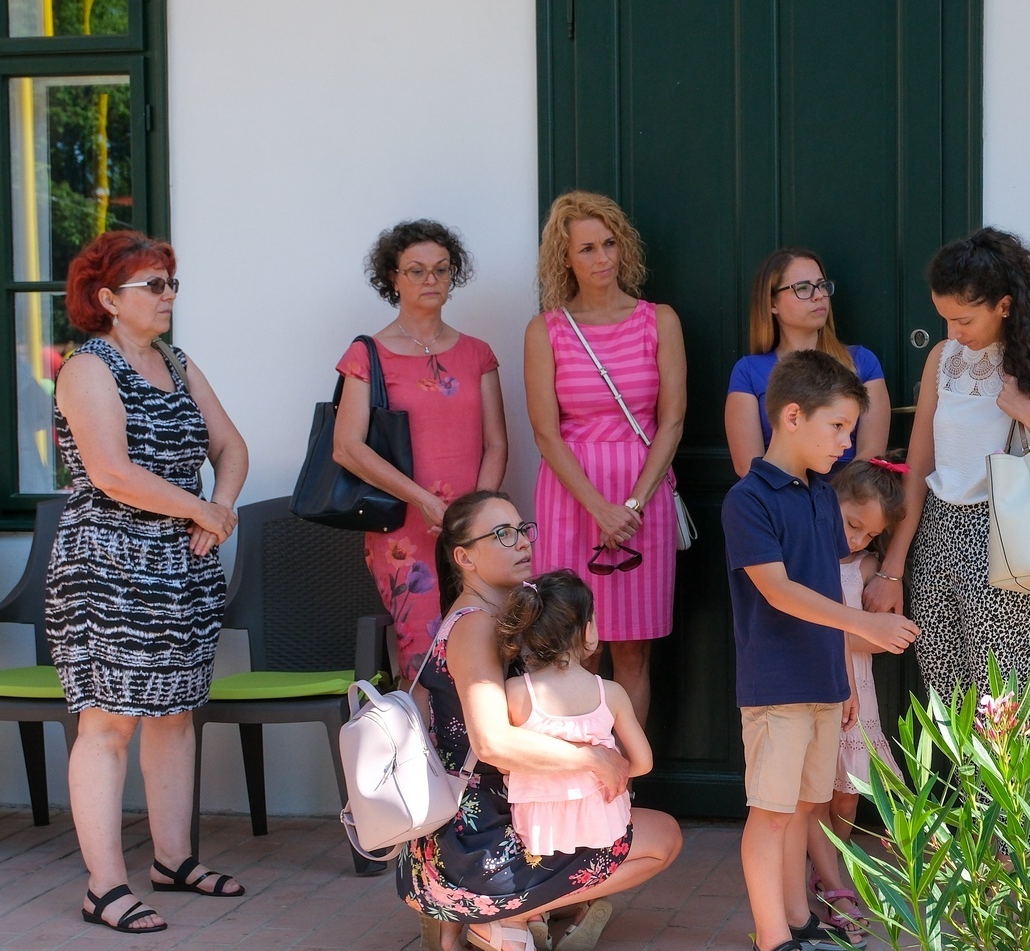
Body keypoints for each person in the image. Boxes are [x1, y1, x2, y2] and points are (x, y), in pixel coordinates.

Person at [46, 230, 249, 933]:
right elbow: (111, 472)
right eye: (153, 285)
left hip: (182, 564)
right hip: (108, 566)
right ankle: (104, 887)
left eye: (171, 283)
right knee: (108, 724)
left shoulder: (178, 362)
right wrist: (203, 510)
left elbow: (231, 446)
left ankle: (174, 860)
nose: (168, 296)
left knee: (174, 714)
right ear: (108, 299)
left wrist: (218, 508)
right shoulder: (86, 368)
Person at [397, 492, 683, 951]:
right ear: (464, 557)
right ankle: (500, 917)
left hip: (469, 835)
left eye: (521, 529)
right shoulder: (476, 627)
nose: (522, 542)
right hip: (478, 845)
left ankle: (472, 915)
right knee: (664, 839)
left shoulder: (489, 616)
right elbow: (492, 743)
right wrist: (592, 758)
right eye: (501, 534)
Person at [723, 351, 921, 951]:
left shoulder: (817, 494)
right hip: (776, 687)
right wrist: (864, 627)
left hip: (821, 683)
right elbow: (780, 592)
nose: (846, 442)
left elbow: (826, 586)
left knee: (804, 807)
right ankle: (770, 947)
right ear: (792, 416)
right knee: (772, 815)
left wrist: (842, 678)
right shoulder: (749, 500)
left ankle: (798, 921)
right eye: (837, 427)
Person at [864, 228, 1030, 701]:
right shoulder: (942, 358)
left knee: (1000, 705)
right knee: (945, 701)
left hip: (1005, 537)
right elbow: (918, 466)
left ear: (1004, 305)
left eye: (964, 319)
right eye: (945, 319)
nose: (954, 333)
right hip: (934, 535)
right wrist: (892, 569)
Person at [525, 191, 686, 726]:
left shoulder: (659, 320)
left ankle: (630, 770)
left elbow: (672, 422)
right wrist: (600, 508)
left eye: (610, 244)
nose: (603, 258)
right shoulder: (546, 330)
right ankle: (583, 765)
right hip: (572, 499)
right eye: (588, 248)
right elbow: (545, 432)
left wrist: (631, 505)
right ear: (565, 258)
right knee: (575, 646)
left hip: (643, 496)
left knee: (635, 650)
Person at [332, 219, 508, 682]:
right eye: (416, 270)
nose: (431, 279)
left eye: (441, 269)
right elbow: (347, 448)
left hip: (474, 530)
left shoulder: (478, 354)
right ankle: (423, 733)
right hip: (405, 526)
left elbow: (496, 443)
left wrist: (476, 518)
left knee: (484, 644)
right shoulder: (368, 354)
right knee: (424, 650)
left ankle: (477, 734)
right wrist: (425, 501)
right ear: (393, 277)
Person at [805, 454, 909, 937]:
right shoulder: (807, 558)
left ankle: (830, 866)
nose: (857, 539)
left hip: (858, 697)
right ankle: (833, 882)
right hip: (817, 690)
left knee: (847, 796)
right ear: (831, 501)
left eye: (870, 534)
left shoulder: (868, 569)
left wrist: (839, 634)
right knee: (814, 793)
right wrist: (848, 633)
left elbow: (886, 638)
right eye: (852, 524)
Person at [496, 569, 651, 860]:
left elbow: (505, 765)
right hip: (601, 825)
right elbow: (643, 762)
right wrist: (598, 775)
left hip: (538, 832)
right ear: (587, 630)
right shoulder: (611, 693)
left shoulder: (516, 692)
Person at [725, 248, 892, 477]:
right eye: (803, 288)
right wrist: (798, 495)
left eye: (822, 285)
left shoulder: (862, 362)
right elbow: (748, 466)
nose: (819, 295)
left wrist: (835, 496)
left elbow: (871, 454)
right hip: (778, 495)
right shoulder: (748, 372)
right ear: (772, 303)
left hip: (849, 493)